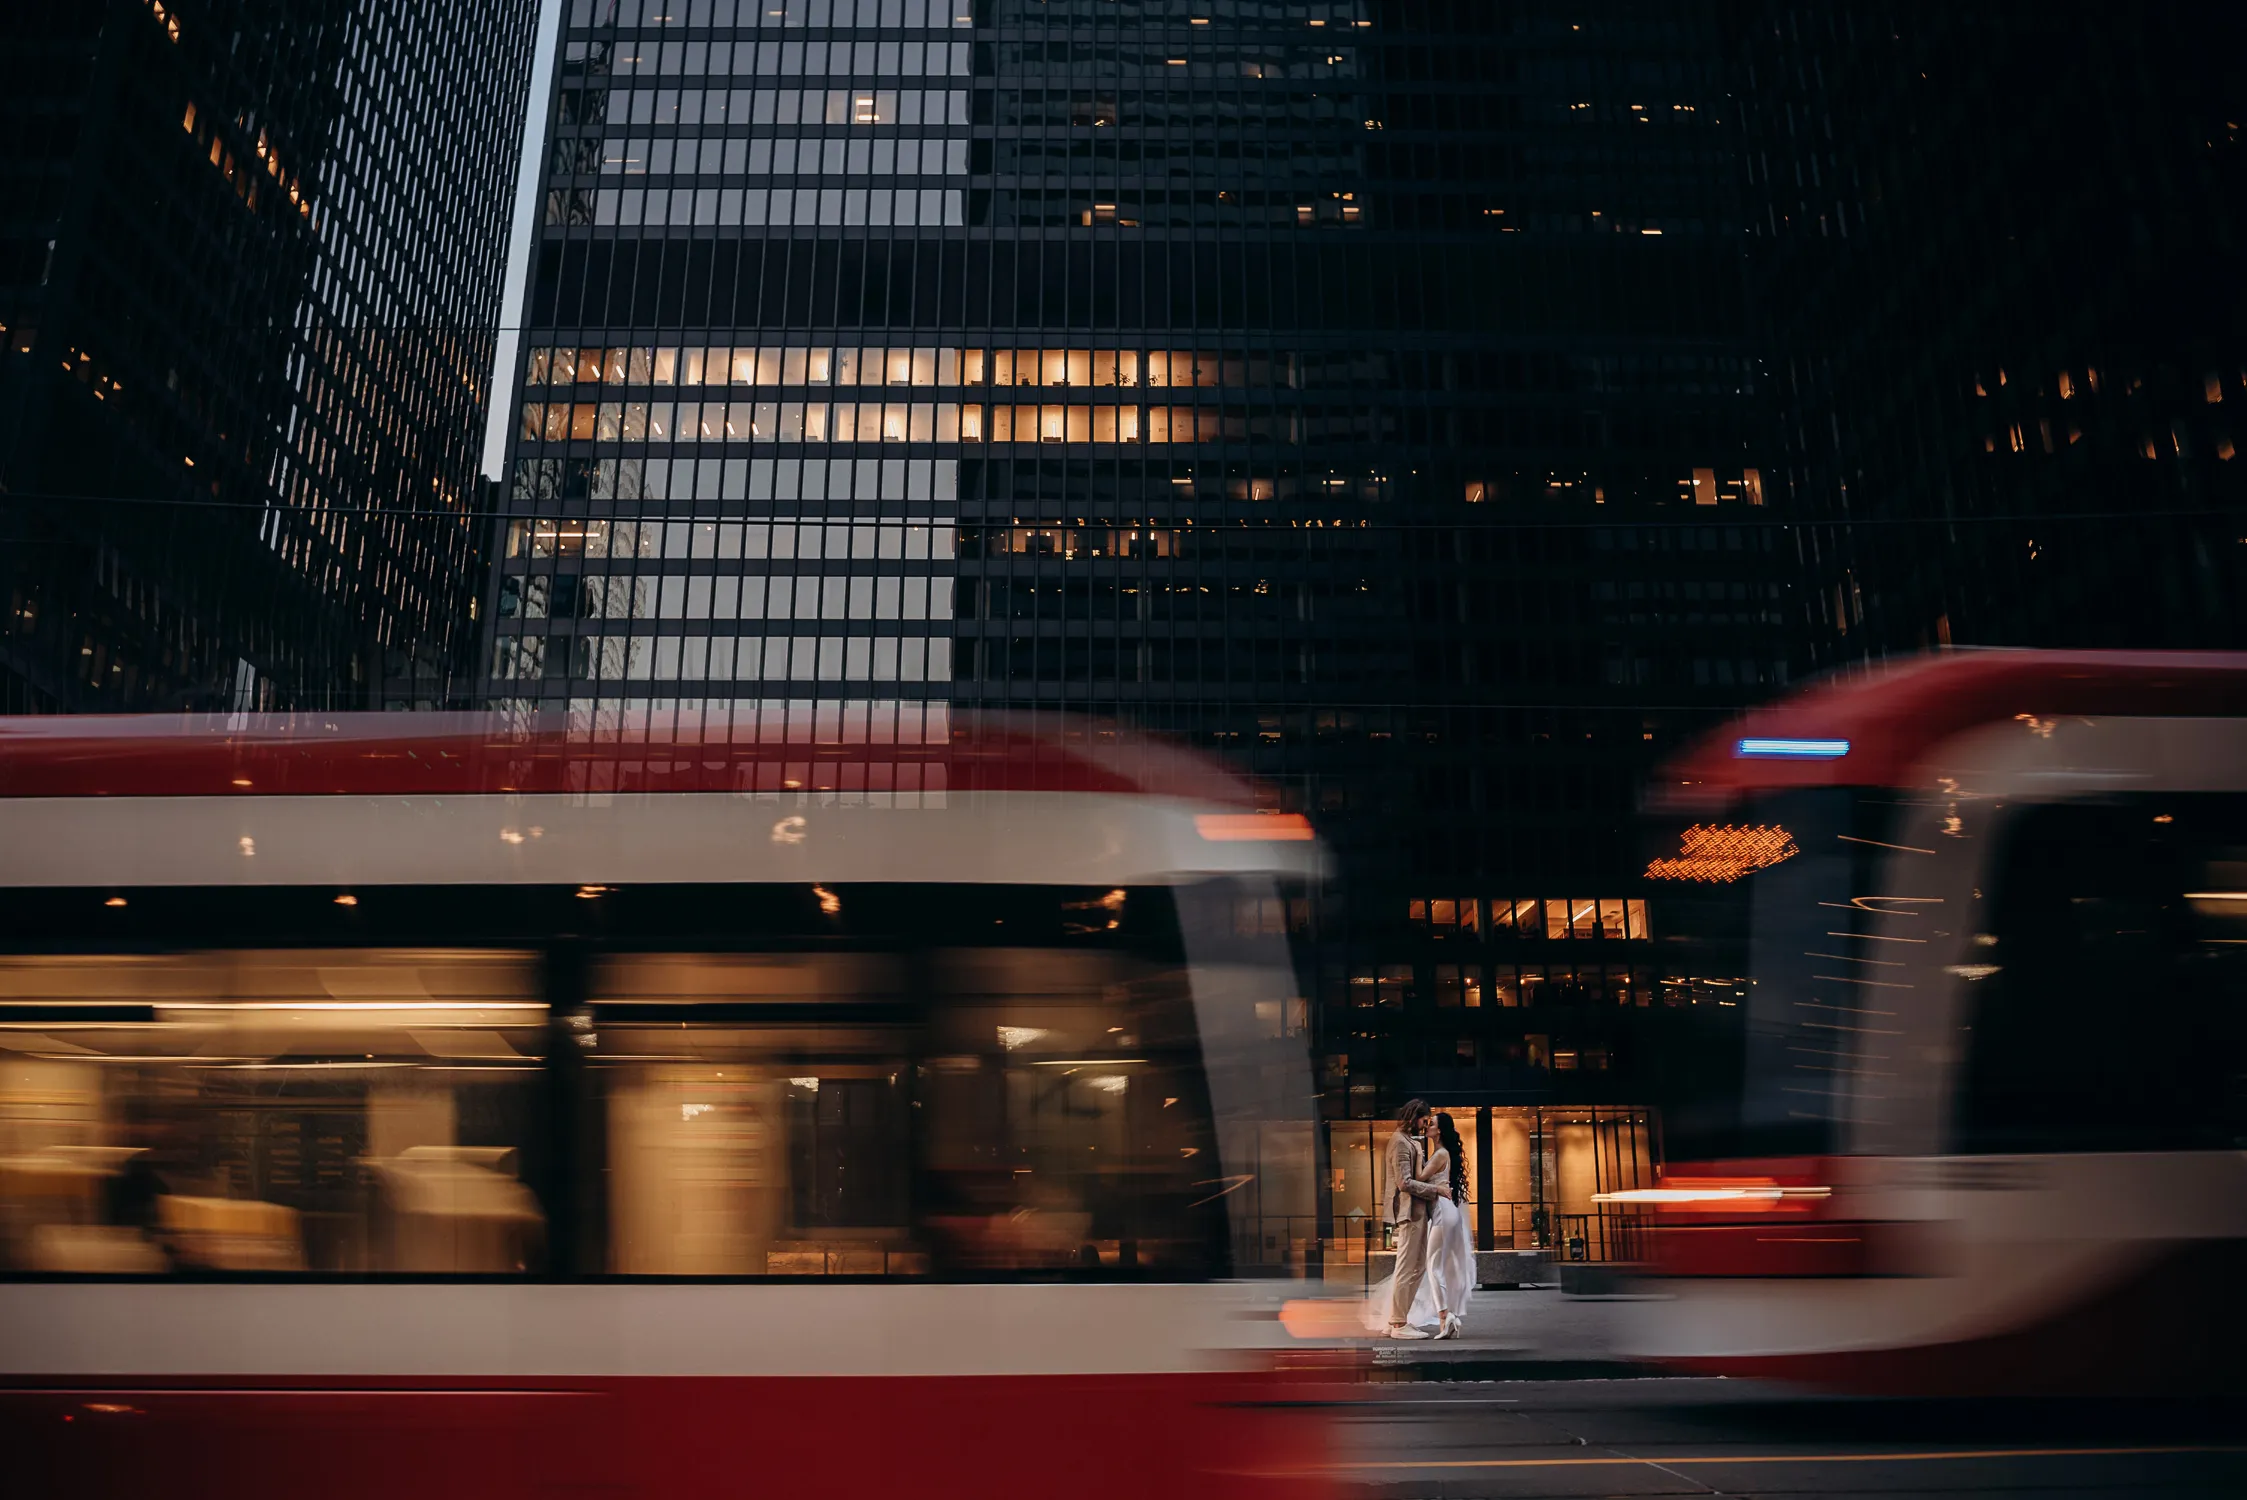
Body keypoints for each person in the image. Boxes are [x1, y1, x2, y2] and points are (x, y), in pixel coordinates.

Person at [1363, 1099, 1447, 1339]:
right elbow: (1404, 1182)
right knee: (1407, 1268)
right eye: (1423, 1120)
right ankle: (1399, 1323)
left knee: (1417, 1267)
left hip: (1415, 1212)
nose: (1425, 1125)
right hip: (1409, 1213)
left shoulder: (1407, 1141)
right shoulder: (1400, 1142)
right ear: (1413, 1117)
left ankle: (1396, 1319)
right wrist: (1436, 1190)